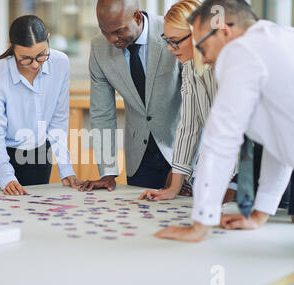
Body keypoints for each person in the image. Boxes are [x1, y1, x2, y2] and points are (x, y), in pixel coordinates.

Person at [155, 0, 294, 242]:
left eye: (202, 45)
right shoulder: (278, 40)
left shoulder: (241, 52)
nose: (203, 56)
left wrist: (200, 224)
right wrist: (259, 214)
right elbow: (281, 142)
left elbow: (220, 140)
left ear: (223, 30)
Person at [79, 0, 182, 193]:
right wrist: (107, 172)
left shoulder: (172, 31)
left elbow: (196, 105)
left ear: (137, 17)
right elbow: (102, 114)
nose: (111, 39)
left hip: (181, 148)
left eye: (118, 31)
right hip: (140, 159)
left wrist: (183, 167)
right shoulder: (99, 48)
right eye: (104, 31)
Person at [139, 0, 236, 203]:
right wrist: (174, 188)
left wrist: (232, 184)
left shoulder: (230, 65)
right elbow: (188, 127)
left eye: (175, 41)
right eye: (167, 40)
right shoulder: (191, 67)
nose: (169, 48)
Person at [0, 15, 82, 195]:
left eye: (41, 56)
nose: (34, 65)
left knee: (35, 214)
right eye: (25, 58)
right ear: (12, 46)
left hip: (36, 151)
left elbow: (58, 120)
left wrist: (65, 167)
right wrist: (6, 175)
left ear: (48, 37)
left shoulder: (60, 63)